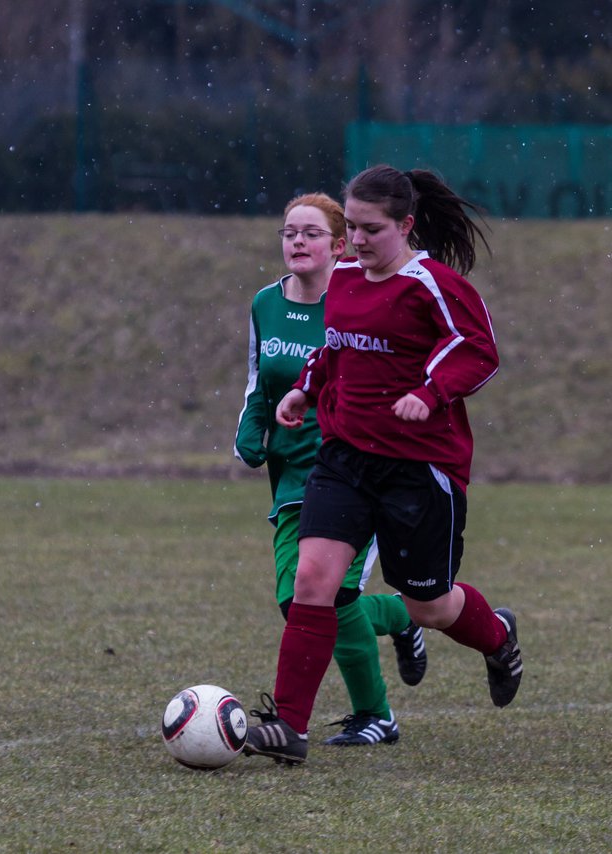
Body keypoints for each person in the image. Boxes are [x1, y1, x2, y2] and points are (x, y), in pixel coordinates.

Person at [243, 165, 523, 766]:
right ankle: (289, 728)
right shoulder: (344, 277)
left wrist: (430, 391)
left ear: (405, 226)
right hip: (343, 459)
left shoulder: (432, 286)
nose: (359, 241)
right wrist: (306, 389)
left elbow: (479, 352)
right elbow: (336, 345)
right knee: (312, 584)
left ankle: (497, 636)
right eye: (355, 228)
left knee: (429, 604)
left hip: (418, 469)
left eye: (372, 229)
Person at [234, 192, 429, 747]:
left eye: (311, 233)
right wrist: (251, 433)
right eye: (289, 231)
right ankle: (398, 616)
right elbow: (259, 380)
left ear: (340, 245)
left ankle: (376, 714)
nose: (297, 240)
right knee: (296, 602)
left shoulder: (356, 300)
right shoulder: (264, 303)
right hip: (291, 474)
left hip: (352, 469)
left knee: (330, 596)